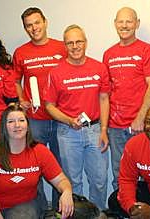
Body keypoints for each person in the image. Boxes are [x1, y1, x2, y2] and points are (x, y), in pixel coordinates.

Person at [44, 24, 110, 210]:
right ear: (65, 46)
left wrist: (104, 130)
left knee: (99, 180)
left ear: (85, 43)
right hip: (67, 133)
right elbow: (49, 106)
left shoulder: (99, 68)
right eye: (70, 43)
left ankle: (97, 214)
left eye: (78, 41)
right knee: (73, 182)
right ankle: (79, 215)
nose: (75, 46)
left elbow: (104, 98)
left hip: (95, 130)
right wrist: (68, 120)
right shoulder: (56, 72)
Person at [0, 104, 74, 219]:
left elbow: (61, 180)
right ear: (4, 127)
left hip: (24, 205)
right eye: (11, 121)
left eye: (21, 120)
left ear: (27, 124)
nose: (17, 125)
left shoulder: (40, 151)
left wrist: (66, 191)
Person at [13, 7, 67, 211]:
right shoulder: (21, 52)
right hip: (35, 120)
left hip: (62, 118)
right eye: (29, 25)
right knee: (34, 168)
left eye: (37, 22)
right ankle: (41, 210)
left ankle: (59, 211)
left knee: (59, 169)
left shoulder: (61, 47)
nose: (33, 28)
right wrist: (21, 97)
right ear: (25, 28)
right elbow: (16, 80)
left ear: (45, 22)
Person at [103, 7, 150, 190]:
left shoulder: (147, 51)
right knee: (119, 176)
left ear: (137, 24)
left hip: (140, 126)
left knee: (145, 177)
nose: (124, 25)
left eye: (129, 21)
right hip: (115, 127)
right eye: (121, 21)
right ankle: (122, 212)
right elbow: (106, 92)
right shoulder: (108, 54)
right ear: (115, 24)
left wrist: (141, 118)